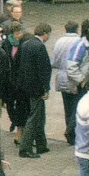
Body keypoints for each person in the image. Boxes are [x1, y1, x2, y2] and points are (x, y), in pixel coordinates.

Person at [17, 22, 52, 158]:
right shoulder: (39, 47)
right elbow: (44, 70)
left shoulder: (26, 44)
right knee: (34, 117)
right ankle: (25, 148)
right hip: (36, 88)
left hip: (26, 87)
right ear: (45, 33)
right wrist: (45, 89)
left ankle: (41, 144)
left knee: (39, 115)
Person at [52, 21, 81, 146]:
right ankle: (71, 132)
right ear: (77, 29)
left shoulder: (59, 42)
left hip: (62, 76)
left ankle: (70, 135)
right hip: (74, 77)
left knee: (67, 107)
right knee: (77, 107)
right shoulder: (79, 42)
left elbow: (55, 62)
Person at [2, 23, 28, 142]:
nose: (19, 36)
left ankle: (18, 127)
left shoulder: (24, 44)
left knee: (20, 105)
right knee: (9, 104)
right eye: (16, 33)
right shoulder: (6, 44)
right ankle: (14, 121)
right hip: (8, 80)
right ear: (12, 34)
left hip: (20, 81)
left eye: (20, 33)